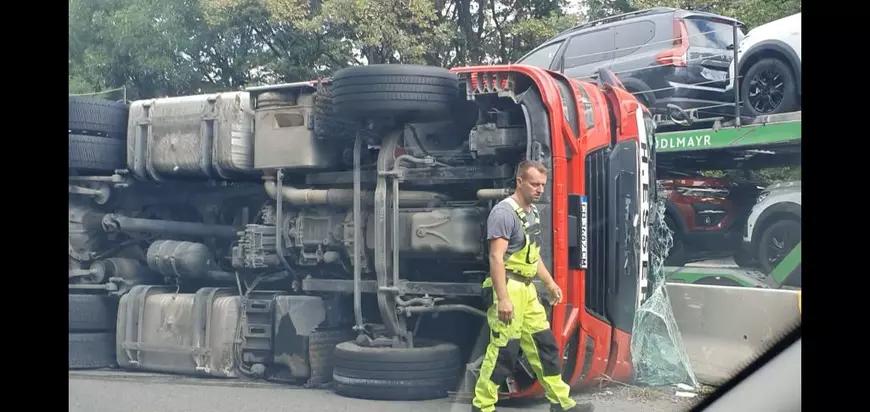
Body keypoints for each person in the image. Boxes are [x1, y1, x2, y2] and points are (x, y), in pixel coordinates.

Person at [472, 161, 594, 412]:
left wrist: (550, 284)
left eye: (543, 185)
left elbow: (532, 254)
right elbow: (496, 258)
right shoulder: (504, 213)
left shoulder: (531, 212)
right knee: (503, 351)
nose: (540, 190)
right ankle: (482, 407)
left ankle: (561, 403)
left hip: (526, 290)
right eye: (534, 184)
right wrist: (503, 299)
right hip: (508, 287)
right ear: (519, 182)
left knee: (544, 347)